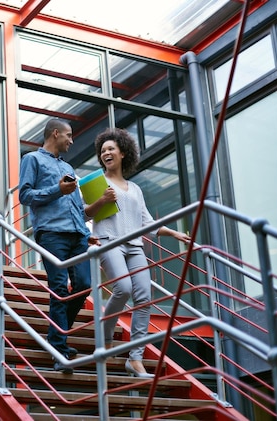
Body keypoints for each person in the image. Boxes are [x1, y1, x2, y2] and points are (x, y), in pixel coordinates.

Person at [84, 127, 190, 378]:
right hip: (110, 242)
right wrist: (102, 201)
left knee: (144, 297)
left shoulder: (135, 188)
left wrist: (174, 234)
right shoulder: (97, 182)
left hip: (134, 246)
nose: (106, 153)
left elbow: (147, 223)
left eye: (111, 149)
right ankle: (106, 335)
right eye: (102, 151)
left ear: (123, 153)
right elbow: (85, 214)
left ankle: (136, 359)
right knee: (123, 288)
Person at [19, 118, 99, 374]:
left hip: (77, 235)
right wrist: (57, 190)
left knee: (84, 285)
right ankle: (58, 347)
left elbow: (76, 206)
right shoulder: (32, 159)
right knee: (58, 289)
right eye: (69, 135)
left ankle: (57, 332)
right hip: (52, 233)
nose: (72, 140)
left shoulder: (69, 167)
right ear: (55, 134)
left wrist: (87, 232)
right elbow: (25, 195)